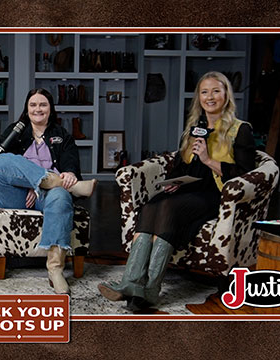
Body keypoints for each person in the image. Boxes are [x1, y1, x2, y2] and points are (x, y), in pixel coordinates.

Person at [98, 71, 256, 307]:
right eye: (204, 92)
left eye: (215, 91)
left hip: (216, 195)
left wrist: (207, 159)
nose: (209, 97)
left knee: (168, 208)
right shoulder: (194, 128)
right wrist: (174, 181)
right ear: (198, 98)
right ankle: (133, 284)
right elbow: (180, 164)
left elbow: (246, 175)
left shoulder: (240, 130)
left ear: (226, 95)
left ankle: (150, 288)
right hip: (187, 190)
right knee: (152, 205)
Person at [0, 88, 97, 294]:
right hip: (15, 195)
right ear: (27, 108)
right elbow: (4, 166)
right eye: (33, 105)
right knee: (2, 159)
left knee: (60, 195)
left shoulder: (61, 135)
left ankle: (55, 269)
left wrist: (67, 174)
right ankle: (49, 180)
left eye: (43, 104)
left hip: (45, 198)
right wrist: (35, 182)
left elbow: (70, 163)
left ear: (50, 109)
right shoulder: (16, 130)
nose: (37, 109)